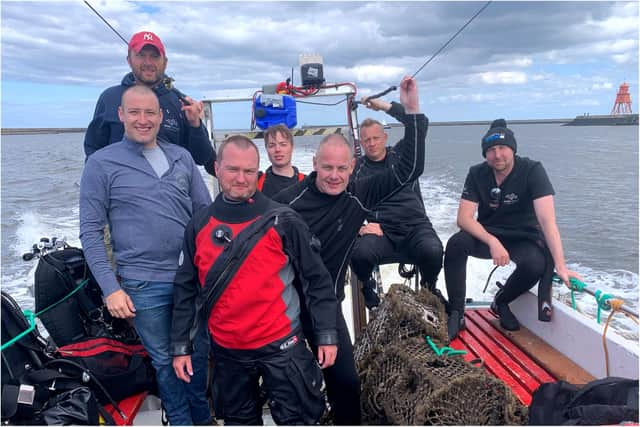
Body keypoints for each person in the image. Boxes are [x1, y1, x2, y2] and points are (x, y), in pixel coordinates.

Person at [274, 76, 428, 425]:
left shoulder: (359, 194)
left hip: (327, 308)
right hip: (285, 308)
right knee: (294, 390)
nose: (334, 175)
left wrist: (412, 111)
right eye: (327, 167)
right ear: (314, 163)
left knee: (346, 383)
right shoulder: (286, 204)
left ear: (352, 168)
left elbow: (410, 168)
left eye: (342, 168)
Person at [170, 135, 339, 425]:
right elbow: (186, 289)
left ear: (258, 173)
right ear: (217, 168)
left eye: (249, 171)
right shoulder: (198, 225)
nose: (240, 178)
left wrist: (326, 335)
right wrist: (180, 347)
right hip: (228, 352)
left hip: (282, 347)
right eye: (233, 169)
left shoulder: (284, 220)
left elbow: (317, 281)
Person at [79, 85, 212, 425]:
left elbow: (206, 215)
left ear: (161, 116)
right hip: (143, 284)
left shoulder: (181, 157)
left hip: (191, 281)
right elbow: (90, 233)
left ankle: (203, 418)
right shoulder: (100, 164)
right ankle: (182, 422)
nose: (143, 119)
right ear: (121, 115)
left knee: (198, 356)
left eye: (150, 112)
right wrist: (111, 288)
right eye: (134, 112)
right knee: (166, 363)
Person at [444, 119, 582, 340]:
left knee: (535, 264)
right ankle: (457, 313)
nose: (497, 155)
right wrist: (492, 241)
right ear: (485, 154)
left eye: (502, 148)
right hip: (488, 233)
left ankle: (502, 301)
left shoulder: (533, 170)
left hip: (523, 236)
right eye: (491, 150)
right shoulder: (477, 173)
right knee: (455, 244)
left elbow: (547, 222)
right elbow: (464, 218)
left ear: (513, 149)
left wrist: (561, 266)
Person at [84, 30, 216, 174]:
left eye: (154, 56)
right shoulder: (109, 98)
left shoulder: (181, 103)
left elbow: (202, 158)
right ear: (129, 60)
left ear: (165, 62)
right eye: (141, 55)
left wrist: (195, 125)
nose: (148, 62)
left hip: (170, 189)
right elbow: (93, 152)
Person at [350, 113, 443, 309]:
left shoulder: (402, 156)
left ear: (385, 138)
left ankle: (428, 289)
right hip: (382, 232)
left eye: (376, 138)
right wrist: (359, 227)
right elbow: (345, 204)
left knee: (434, 251)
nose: (372, 143)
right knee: (359, 254)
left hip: (416, 227)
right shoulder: (356, 169)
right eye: (367, 140)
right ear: (361, 143)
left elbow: (421, 123)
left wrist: (387, 107)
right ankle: (367, 287)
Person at [257, 124, 305, 197]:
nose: (277, 149)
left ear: (292, 147)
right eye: (272, 145)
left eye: (283, 144)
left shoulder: (307, 183)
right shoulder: (255, 184)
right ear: (266, 149)